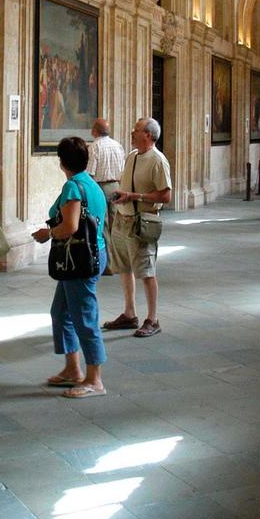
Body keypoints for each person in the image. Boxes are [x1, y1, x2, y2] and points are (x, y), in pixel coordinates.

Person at [32, 137, 108, 399]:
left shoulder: (73, 187)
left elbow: (70, 226)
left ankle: (94, 379)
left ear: (62, 161)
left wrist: (47, 233)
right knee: (61, 312)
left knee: (85, 318)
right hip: (92, 253)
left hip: (80, 259)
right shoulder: (92, 185)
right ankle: (73, 369)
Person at [102, 118, 172, 338]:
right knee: (124, 267)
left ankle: (153, 318)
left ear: (148, 135)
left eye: (137, 130)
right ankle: (129, 313)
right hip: (123, 220)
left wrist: (135, 196)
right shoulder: (132, 156)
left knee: (146, 270)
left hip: (142, 222)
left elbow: (166, 195)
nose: (132, 132)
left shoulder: (158, 160)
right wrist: (121, 197)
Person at [87, 119, 125, 273]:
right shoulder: (118, 145)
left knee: (103, 226)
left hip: (100, 187)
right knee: (116, 227)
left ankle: (108, 265)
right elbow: (123, 168)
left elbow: (90, 172)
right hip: (116, 186)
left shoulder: (94, 147)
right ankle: (118, 263)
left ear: (94, 130)